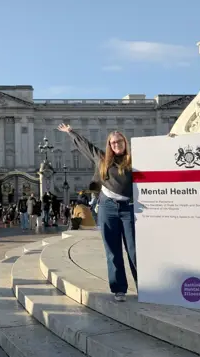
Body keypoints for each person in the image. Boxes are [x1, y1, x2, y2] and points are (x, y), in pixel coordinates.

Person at [58, 123, 137, 302]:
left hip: (128, 207)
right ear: (109, 145)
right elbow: (86, 146)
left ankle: (144, 287)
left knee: (134, 250)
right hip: (108, 207)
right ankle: (119, 289)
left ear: (125, 143)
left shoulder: (133, 160)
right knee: (113, 250)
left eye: (119, 141)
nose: (116, 144)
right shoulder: (102, 159)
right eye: (113, 142)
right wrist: (71, 132)